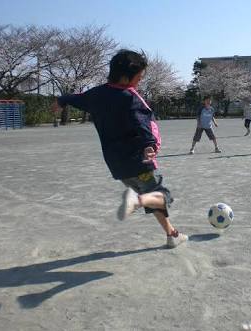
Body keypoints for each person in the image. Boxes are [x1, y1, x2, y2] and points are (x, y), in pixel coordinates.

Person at [51, 49, 188, 248]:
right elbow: (144, 122)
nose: (139, 81)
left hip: (117, 165)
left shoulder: (96, 94)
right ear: (125, 77)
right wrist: (150, 145)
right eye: (139, 78)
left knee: (152, 198)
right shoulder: (130, 97)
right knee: (162, 196)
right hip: (138, 161)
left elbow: (76, 98)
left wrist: (62, 101)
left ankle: (172, 235)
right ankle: (136, 202)